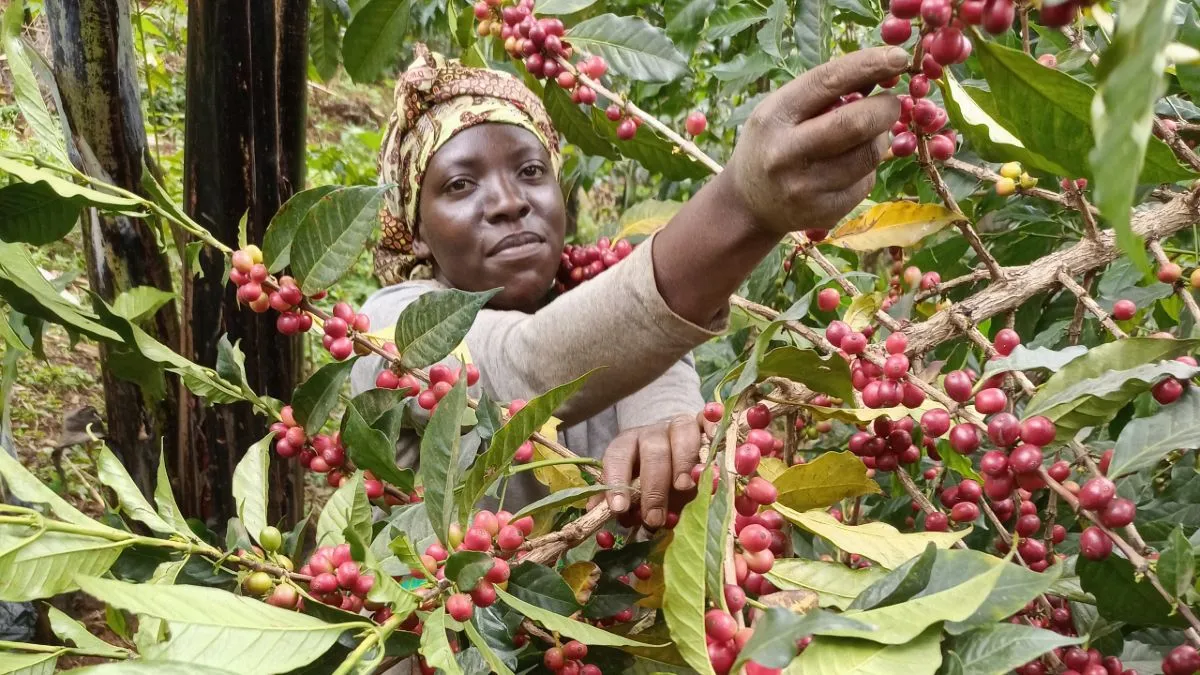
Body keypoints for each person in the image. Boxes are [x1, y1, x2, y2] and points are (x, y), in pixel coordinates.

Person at [349, 43, 909, 526]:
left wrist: (662, 403)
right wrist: (740, 205)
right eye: (461, 184)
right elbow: (528, 367)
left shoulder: (587, 290)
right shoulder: (384, 337)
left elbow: (632, 335)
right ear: (416, 233)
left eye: (530, 171)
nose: (509, 202)